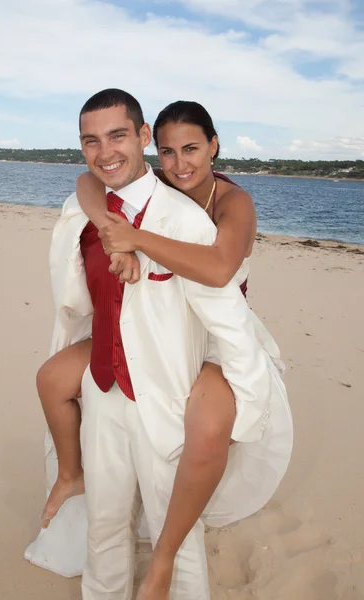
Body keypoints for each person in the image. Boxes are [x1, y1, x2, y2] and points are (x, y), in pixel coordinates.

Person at [26, 89, 293, 600]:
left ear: (141, 136)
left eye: (118, 135)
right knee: (105, 521)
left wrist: (251, 394)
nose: (105, 151)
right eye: (91, 141)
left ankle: (167, 576)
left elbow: (223, 302)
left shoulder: (195, 220)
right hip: (105, 383)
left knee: (179, 529)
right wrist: (113, 232)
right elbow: (83, 274)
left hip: (169, 390)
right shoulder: (91, 207)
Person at [38, 100, 257, 533]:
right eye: (168, 152)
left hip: (211, 334)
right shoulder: (163, 184)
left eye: (191, 149)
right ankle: (70, 474)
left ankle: (173, 539)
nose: (179, 164)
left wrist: (135, 238)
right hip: (156, 324)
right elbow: (86, 181)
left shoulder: (235, 202)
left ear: (213, 146)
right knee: (52, 380)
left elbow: (218, 269)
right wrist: (111, 232)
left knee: (207, 430)